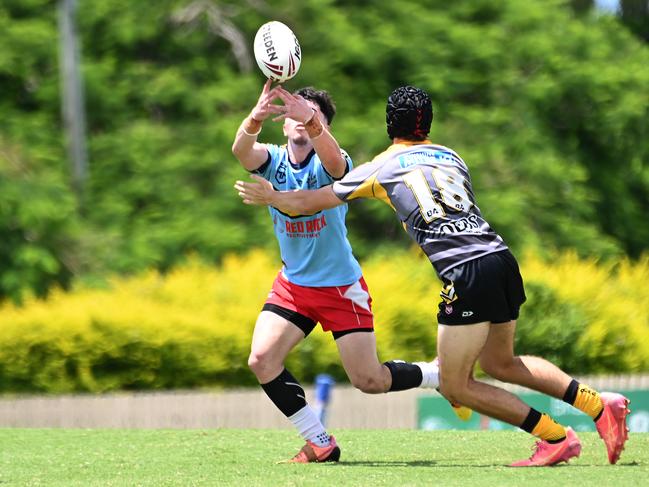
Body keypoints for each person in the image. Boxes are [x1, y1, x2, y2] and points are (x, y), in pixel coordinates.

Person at [235, 85, 631, 467]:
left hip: (464, 273)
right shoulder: (451, 156)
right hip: (500, 257)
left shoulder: (381, 167)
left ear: (390, 125)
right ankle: (598, 405)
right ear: (428, 123)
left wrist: (273, 198)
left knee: (458, 385)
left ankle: (555, 438)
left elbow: (311, 200)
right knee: (502, 363)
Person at [231, 81, 463, 464]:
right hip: (294, 286)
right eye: (296, 114)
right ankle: (320, 441)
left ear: (323, 123)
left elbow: (337, 165)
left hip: (340, 288)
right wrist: (254, 118)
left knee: (369, 380)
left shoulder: (332, 160)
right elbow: (242, 152)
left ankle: (435, 376)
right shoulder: (273, 160)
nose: (304, 120)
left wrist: (315, 124)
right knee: (261, 360)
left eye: (315, 115)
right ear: (285, 124)